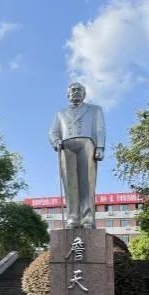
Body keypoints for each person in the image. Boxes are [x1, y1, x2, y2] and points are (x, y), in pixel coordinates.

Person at [49, 81, 106, 229]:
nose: (76, 92)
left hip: (87, 143)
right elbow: (53, 132)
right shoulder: (60, 113)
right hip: (67, 146)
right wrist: (55, 141)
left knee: (87, 183)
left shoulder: (94, 109)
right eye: (73, 90)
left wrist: (100, 146)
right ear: (68, 94)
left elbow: (99, 129)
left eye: (79, 90)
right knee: (70, 184)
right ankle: (72, 218)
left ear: (84, 94)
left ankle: (87, 219)